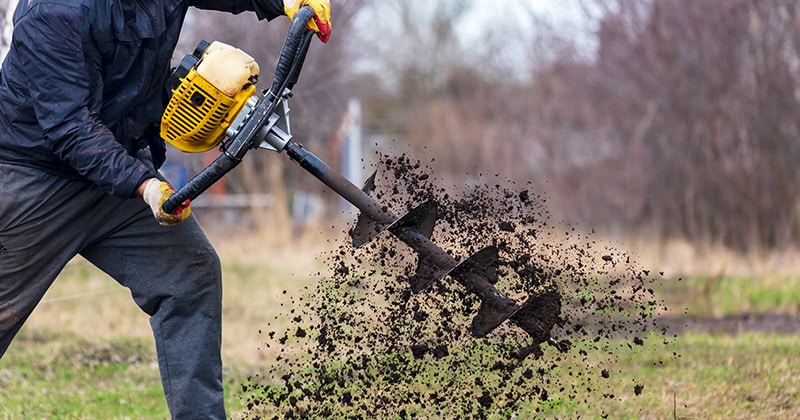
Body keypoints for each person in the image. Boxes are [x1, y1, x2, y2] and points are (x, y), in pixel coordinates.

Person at [0, 0, 330, 417]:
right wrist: (144, 185)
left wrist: (283, 0)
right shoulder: (52, 12)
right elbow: (70, 127)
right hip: (34, 177)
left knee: (190, 275)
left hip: (117, 166)